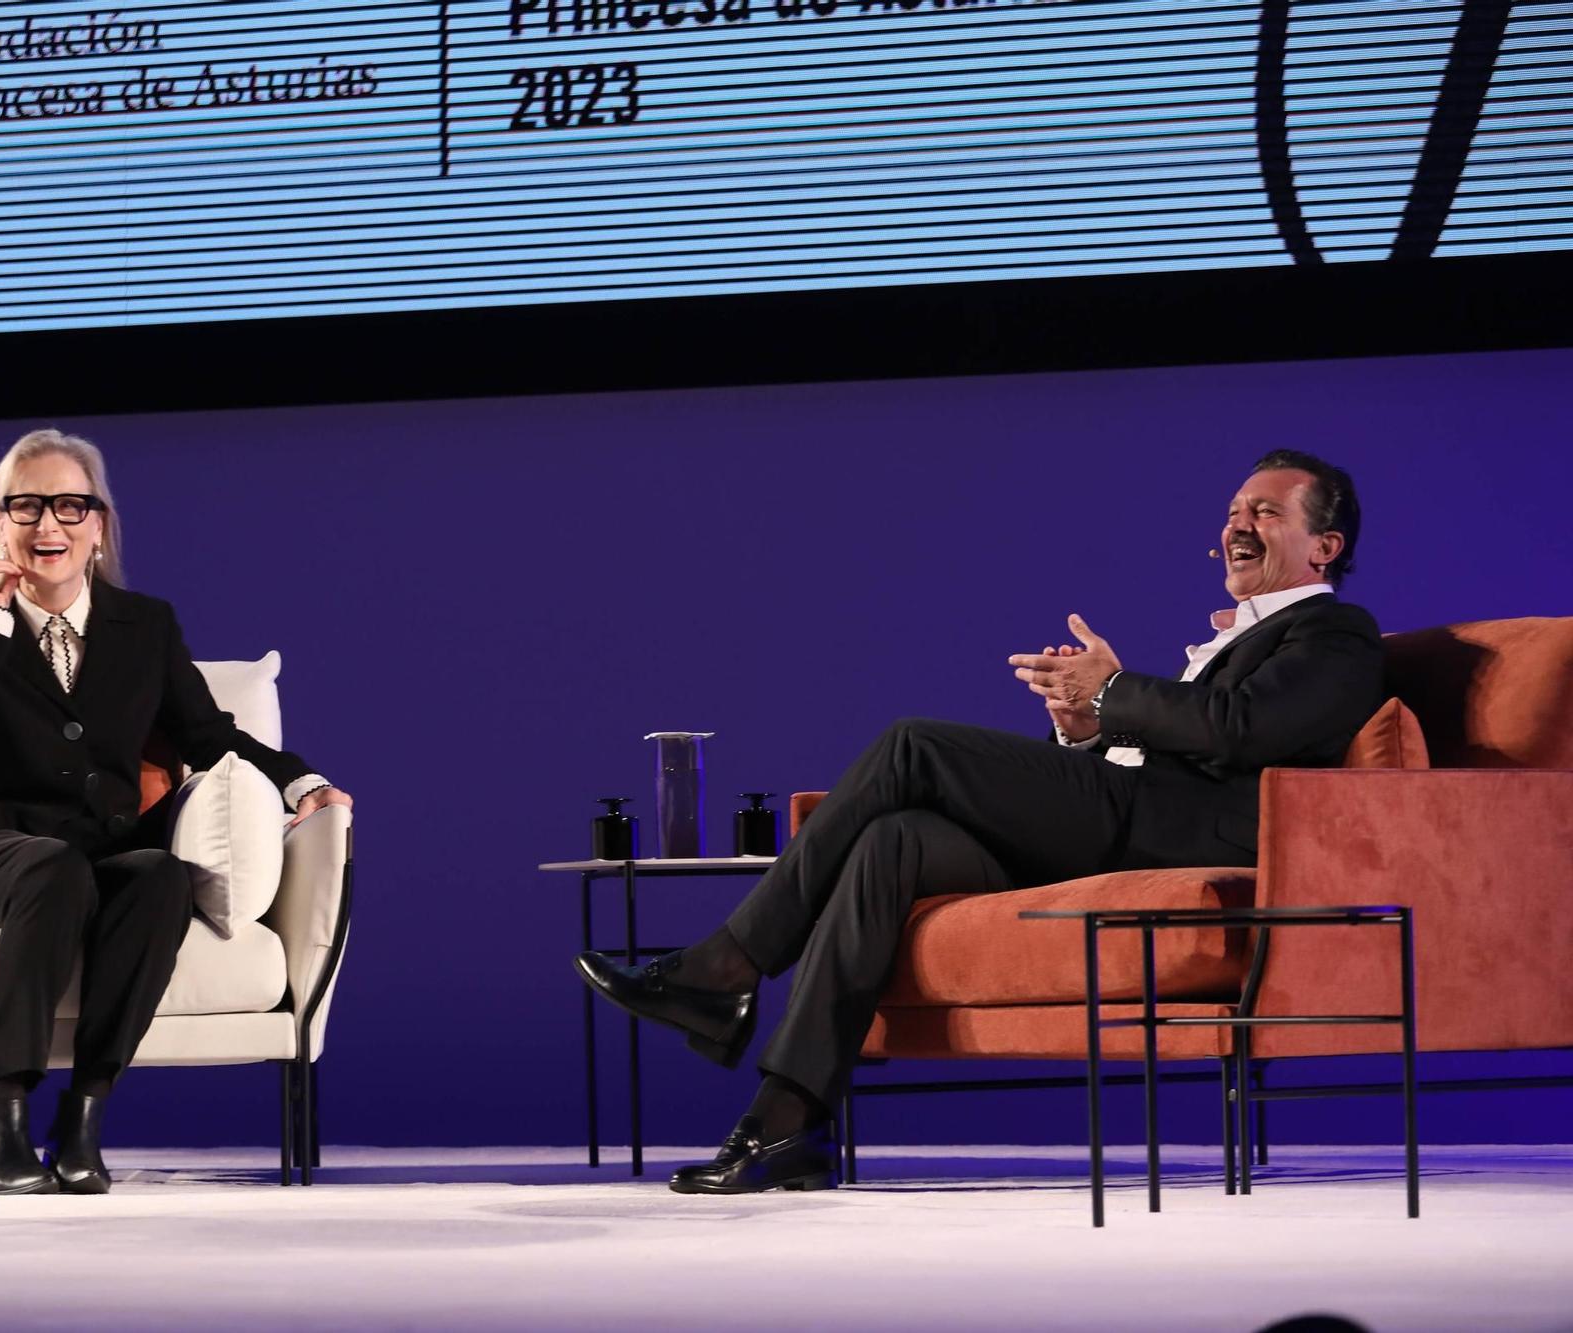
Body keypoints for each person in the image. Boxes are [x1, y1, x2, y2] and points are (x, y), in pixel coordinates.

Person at [576, 449, 1382, 1194]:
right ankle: (788, 1121)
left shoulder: (1336, 633)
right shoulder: (1237, 635)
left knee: (912, 746)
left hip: (1179, 835)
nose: (1239, 524)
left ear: (1325, 546)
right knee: (892, 842)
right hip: (1125, 810)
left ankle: (725, 967)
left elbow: (1242, 730)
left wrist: (1112, 689)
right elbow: (1185, 734)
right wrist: (1085, 727)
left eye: (1266, 511)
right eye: (1235, 509)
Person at [0, 428, 353, 1195]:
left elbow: (208, 736)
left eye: (69, 506)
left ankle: (83, 1119)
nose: (48, 524)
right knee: (51, 867)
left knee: (161, 877)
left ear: (99, 524)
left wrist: (300, 781)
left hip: (91, 858)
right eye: (26, 506)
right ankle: (1, 1117)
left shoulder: (145, 627)